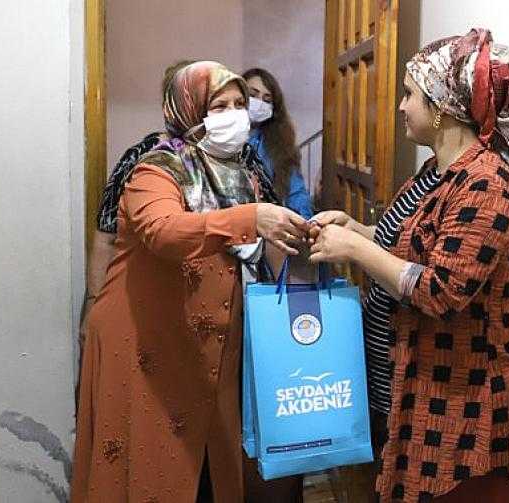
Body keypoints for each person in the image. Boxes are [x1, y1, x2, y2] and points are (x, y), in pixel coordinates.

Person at [308, 29, 509, 502]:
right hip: (410, 390)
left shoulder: (488, 185)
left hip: (459, 411)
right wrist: (359, 230)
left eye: (410, 94)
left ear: (442, 106)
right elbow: (416, 247)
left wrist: (355, 250)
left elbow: (441, 290)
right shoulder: (436, 171)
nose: (400, 106)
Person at [71, 61, 308, 502]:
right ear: (188, 110)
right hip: (147, 342)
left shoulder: (244, 173)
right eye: (220, 106)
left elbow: (263, 243)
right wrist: (250, 219)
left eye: (240, 104)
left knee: (206, 468)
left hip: (209, 343)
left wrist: (310, 234)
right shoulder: (156, 170)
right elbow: (163, 231)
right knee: (151, 466)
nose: (236, 115)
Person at [80, 59, 194, 347]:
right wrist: (94, 302)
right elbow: (106, 234)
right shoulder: (142, 155)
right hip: (145, 300)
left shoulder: (237, 158)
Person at [243, 68, 314, 219]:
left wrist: (306, 222)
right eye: (253, 95)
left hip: (270, 223)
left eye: (267, 100)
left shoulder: (280, 145)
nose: (259, 103)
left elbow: (296, 192)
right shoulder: (221, 138)